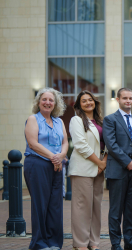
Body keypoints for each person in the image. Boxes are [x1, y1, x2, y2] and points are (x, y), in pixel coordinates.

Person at [24, 87, 68, 250]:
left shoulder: (59, 121)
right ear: (38, 102)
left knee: (55, 205)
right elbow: (33, 143)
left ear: (55, 104)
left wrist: (61, 155)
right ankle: (39, 243)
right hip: (37, 164)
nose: (47, 102)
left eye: (51, 100)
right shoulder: (33, 119)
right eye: (44, 99)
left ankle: (54, 242)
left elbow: (65, 142)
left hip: (56, 166)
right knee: (40, 205)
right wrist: (54, 157)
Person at [103, 88, 132, 250]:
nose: (128, 101)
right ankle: (116, 244)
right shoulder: (110, 120)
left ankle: (130, 242)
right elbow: (111, 145)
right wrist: (128, 161)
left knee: (130, 209)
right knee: (115, 210)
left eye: (131, 98)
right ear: (118, 100)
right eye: (125, 98)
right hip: (118, 171)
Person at [68, 90, 108, 250]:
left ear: (95, 102)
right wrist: (99, 162)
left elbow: (107, 144)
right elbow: (80, 146)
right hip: (82, 169)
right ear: (79, 105)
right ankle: (80, 243)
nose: (88, 103)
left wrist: (103, 162)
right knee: (81, 208)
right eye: (84, 101)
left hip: (99, 169)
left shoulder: (101, 121)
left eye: (90, 100)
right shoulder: (76, 120)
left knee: (96, 207)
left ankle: (94, 242)